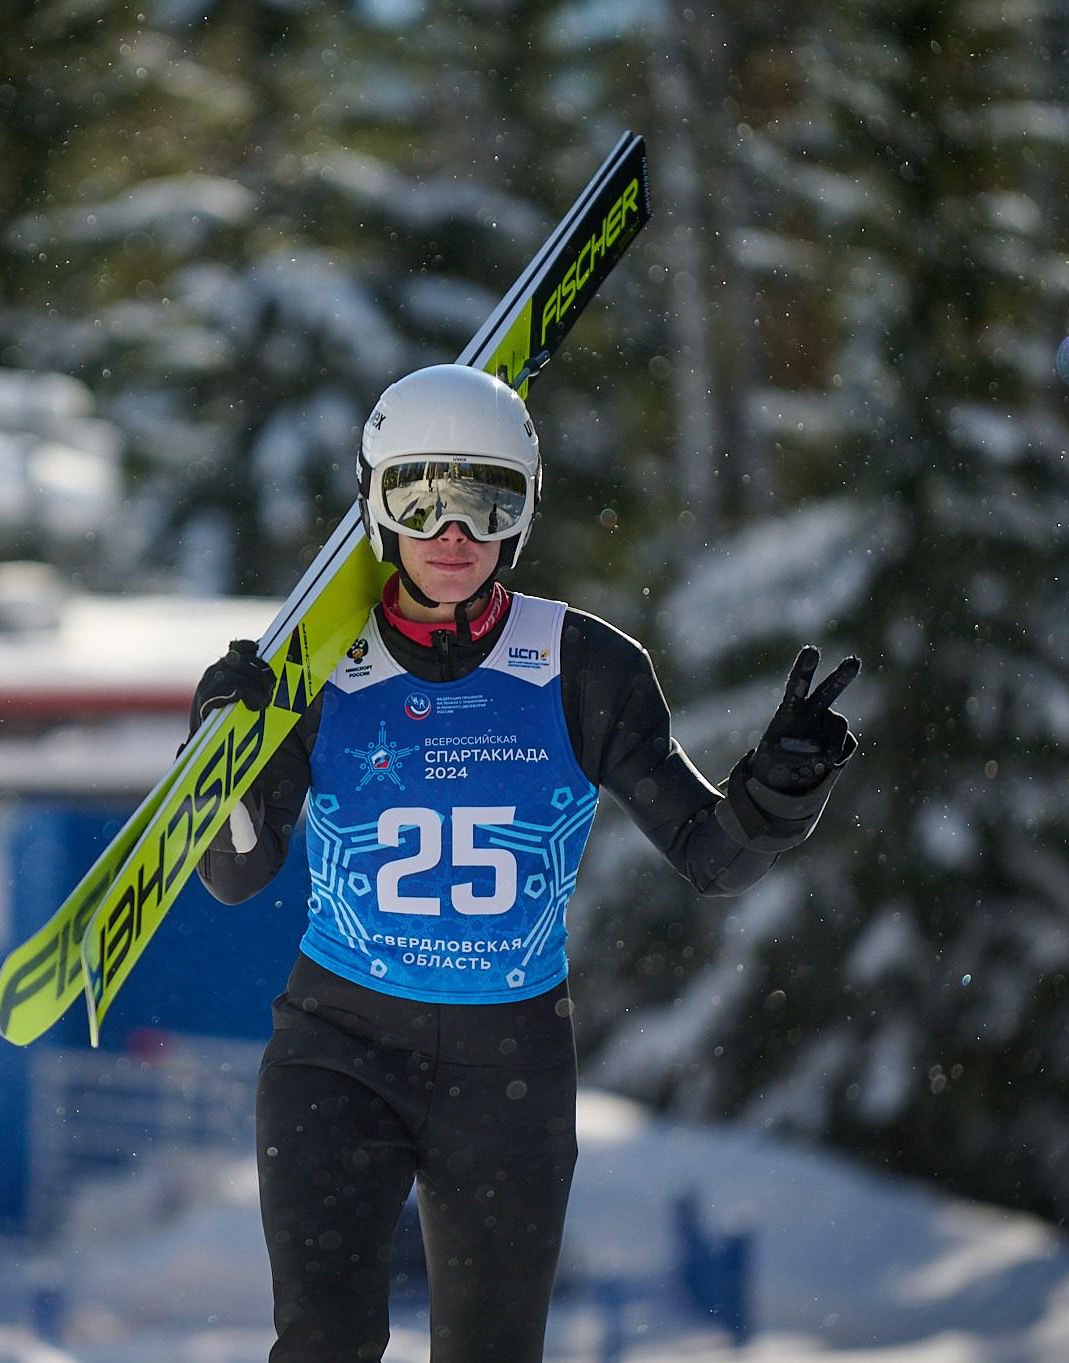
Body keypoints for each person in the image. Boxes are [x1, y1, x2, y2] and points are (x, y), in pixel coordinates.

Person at [188, 364, 859, 1363]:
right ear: (376, 507)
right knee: (324, 1341)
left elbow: (711, 856)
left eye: (487, 501)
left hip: (508, 1074)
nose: (453, 533)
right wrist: (216, 757)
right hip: (338, 1050)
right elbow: (236, 874)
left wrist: (780, 787)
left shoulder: (584, 666)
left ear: (524, 513)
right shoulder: (319, 665)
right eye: (422, 500)